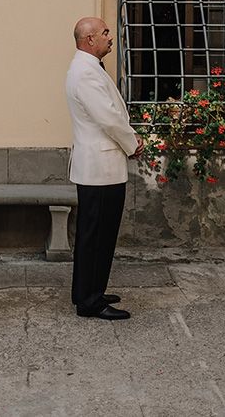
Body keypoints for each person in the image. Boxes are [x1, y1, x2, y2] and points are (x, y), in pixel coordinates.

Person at [65, 17, 144, 320]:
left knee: (98, 233)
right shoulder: (85, 73)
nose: (110, 37)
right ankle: (90, 301)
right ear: (89, 40)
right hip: (100, 167)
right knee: (96, 234)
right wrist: (132, 143)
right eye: (105, 33)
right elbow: (108, 118)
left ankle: (89, 289)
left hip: (100, 165)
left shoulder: (87, 68)